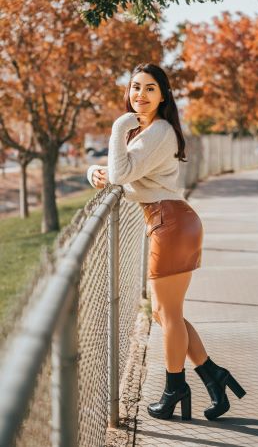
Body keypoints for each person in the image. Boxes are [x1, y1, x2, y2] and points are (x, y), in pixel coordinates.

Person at [87, 63, 246, 421]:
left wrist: (118, 126)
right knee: (163, 313)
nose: (139, 95)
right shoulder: (149, 132)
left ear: (163, 95)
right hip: (171, 220)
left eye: (149, 89)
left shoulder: (156, 131)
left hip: (169, 223)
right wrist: (91, 173)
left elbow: (120, 174)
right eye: (134, 87)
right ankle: (212, 375)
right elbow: (128, 181)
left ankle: (175, 387)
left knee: (169, 315)